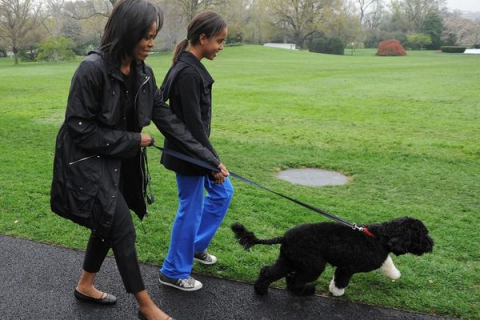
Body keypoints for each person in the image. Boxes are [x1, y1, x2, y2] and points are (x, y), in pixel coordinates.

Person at [50, 1, 228, 320]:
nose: (150, 43)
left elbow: (171, 122)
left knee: (108, 224)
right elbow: (78, 128)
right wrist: (135, 139)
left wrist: (210, 160)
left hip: (118, 160)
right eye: (145, 36)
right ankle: (146, 306)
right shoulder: (91, 69)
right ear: (126, 33)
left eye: (153, 36)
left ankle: (85, 285)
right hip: (86, 162)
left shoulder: (144, 73)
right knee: (121, 227)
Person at [158, 11, 233, 292]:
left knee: (223, 193)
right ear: (202, 38)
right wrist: (213, 163)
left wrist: (212, 162)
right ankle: (173, 270)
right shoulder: (188, 72)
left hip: (194, 152)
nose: (221, 47)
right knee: (190, 208)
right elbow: (194, 128)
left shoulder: (187, 66)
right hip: (188, 155)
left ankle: (194, 246)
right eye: (219, 41)